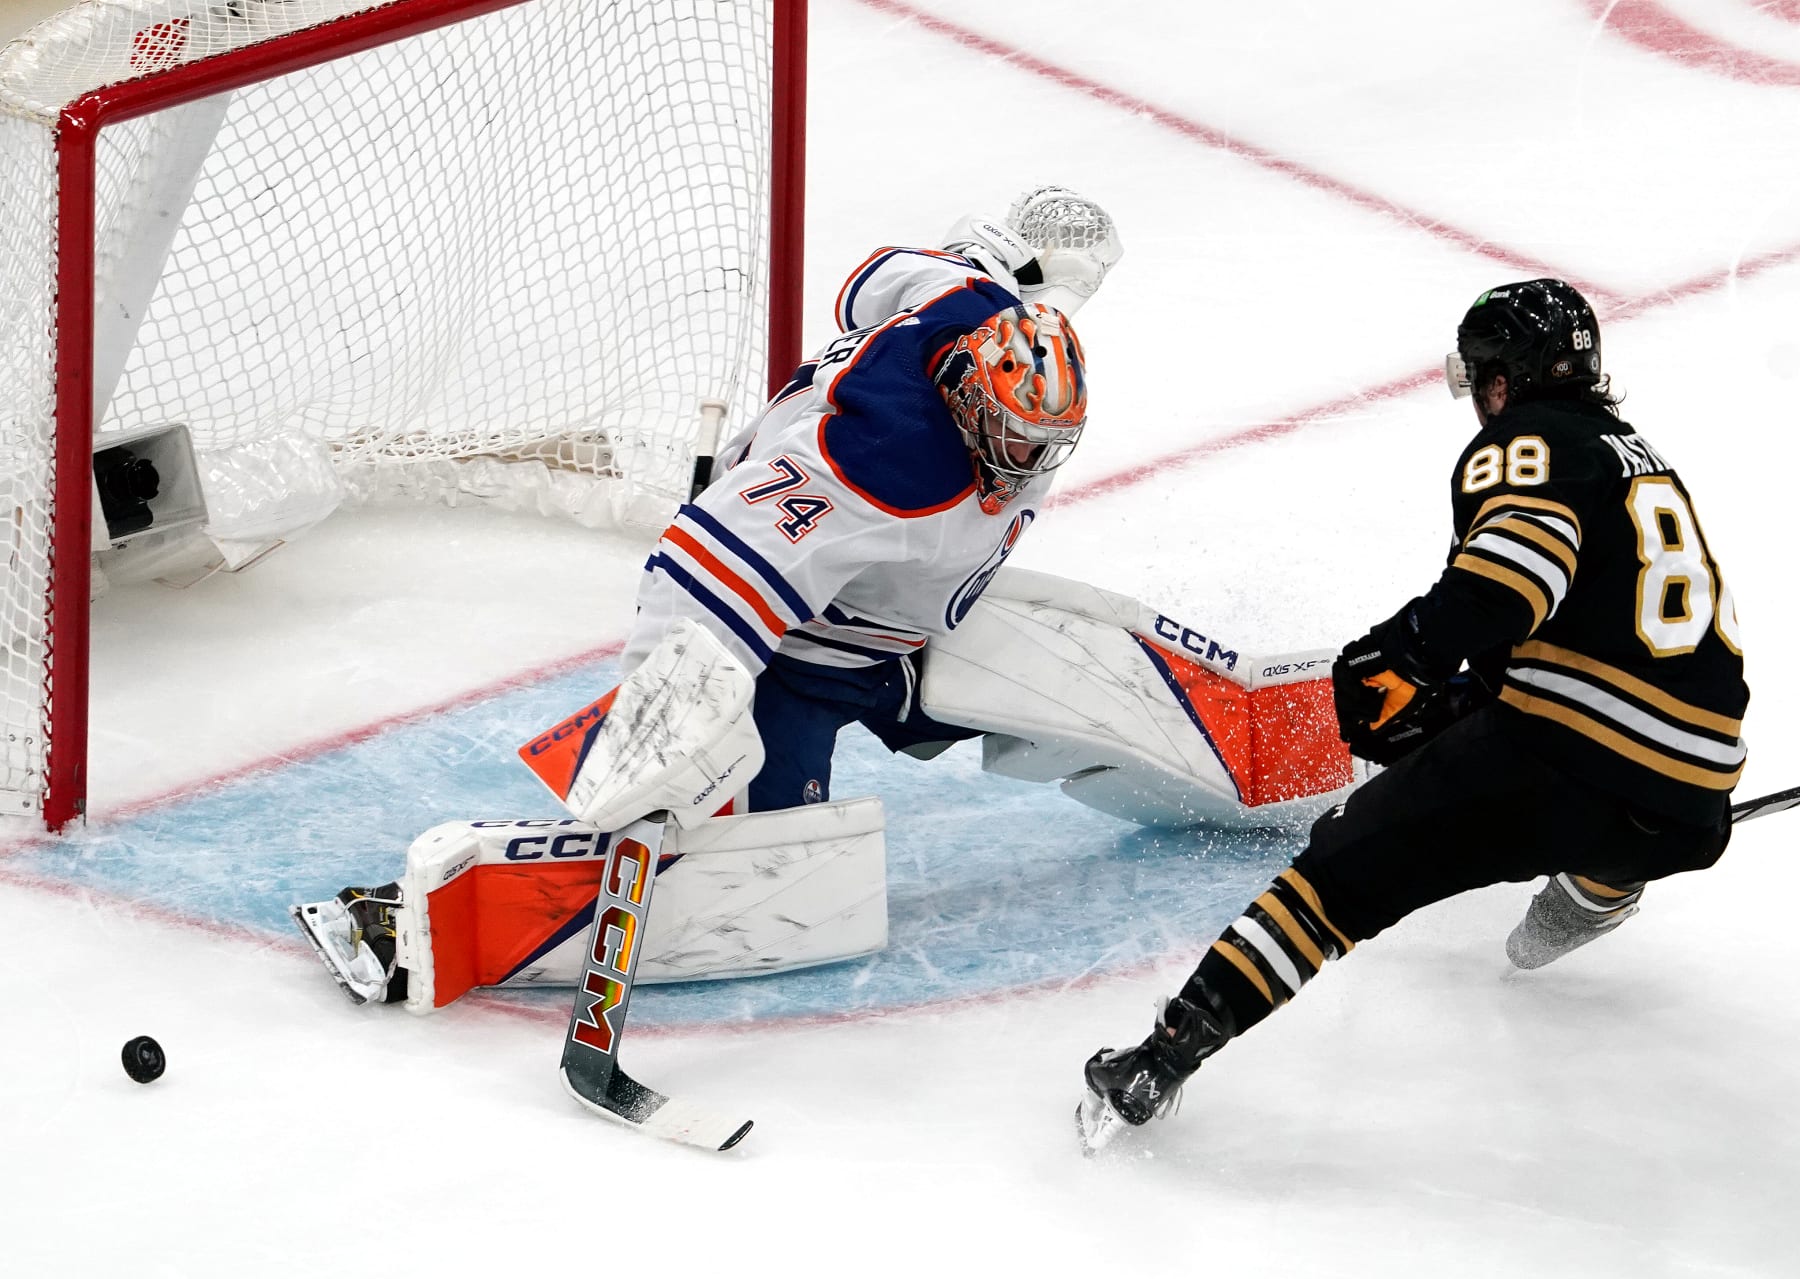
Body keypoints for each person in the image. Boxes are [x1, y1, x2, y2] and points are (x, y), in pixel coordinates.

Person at [301, 187, 1125, 1004]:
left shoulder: (973, 304)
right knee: (753, 869)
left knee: (1088, 675)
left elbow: (877, 283)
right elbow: (693, 580)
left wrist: (1033, 266)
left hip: (900, 623)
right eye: (1016, 435)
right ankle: (405, 921)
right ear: (964, 396)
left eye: (1048, 440)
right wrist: (659, 737)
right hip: (797, 659)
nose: (1029, 461)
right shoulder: (879, 466)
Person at [1077, 278, 1749, 1152]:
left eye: (1482, 377)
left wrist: (1395, 658)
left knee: (1340, 871)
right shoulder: (1639, 454)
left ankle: (1159, 1060)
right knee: (1593, 780)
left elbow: (1509, 588)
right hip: (1694, 803)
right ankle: (1587, 899)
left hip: (1566, 760)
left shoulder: (1527, 441)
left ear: (1504, 379)